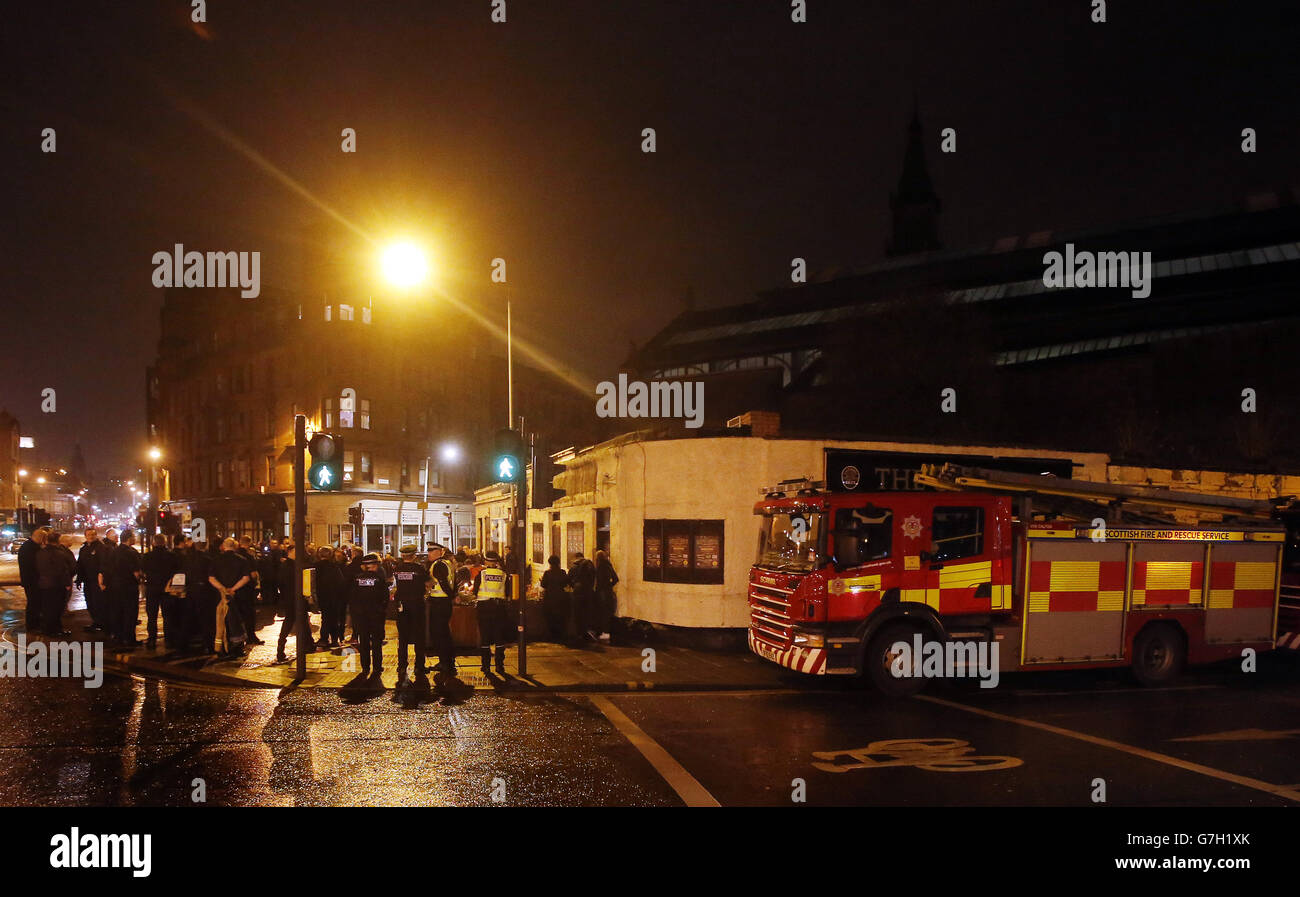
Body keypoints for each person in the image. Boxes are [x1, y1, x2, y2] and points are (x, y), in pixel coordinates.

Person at [392, 544, 431, 690]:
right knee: (419, 636)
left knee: (403, 637)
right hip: (417, 605)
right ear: (414, 555)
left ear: (403, 555)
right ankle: (419, 666)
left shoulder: (397, 569)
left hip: (402, 605)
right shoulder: (419, 569)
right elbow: (429, 583)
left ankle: (402, 666)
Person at [349, 553, 391, 679]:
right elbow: (385, 598)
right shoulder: (379, 579)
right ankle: (377, 667)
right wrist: (382, 610)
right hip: (376, 615)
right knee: (377, 642)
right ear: (376, 565)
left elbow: (352, 598)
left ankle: (365, 667)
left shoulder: (357, 579)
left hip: (361, 616)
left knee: (364, 641)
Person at [208, 537, 251, 658]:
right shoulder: (242, 560)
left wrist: (223, 589)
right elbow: (246, 578)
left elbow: (211, 578)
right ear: (235, 546)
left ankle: (221, 647)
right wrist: (233, 589)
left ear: (223, 546)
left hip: (221, 596)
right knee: (237, 620)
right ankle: (237, 647)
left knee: (222, 620)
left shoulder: (216, 560)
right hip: (238, 595)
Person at [275, 543, 315, 662]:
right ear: (290, 552)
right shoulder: (290, 566)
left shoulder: (288, 565)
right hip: (294, 598)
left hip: (291, 598)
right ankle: (282, 646)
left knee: (299, 620)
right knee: (294, 620)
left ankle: (307, 644)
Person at [141, 533, 180, 650]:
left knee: (151, 615)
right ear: (165, 542)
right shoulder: (172, 556)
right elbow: (177, 571)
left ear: (154, 542)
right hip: (167, 589)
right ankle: (168, 640)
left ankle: (152, 639)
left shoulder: (147, 556)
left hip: (152, 588)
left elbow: (143, 572)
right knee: (167, 615)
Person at [473, 550, 510, 673]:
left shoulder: (481, 574)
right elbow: (507, 593)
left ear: (486, 561)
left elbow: (475, 591)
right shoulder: (504, 575)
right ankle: (499, 665)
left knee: (485, 637)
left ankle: (486, 665)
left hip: (484, 608)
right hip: (499, 608)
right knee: (499, 637)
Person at [106, 529, 144, 646]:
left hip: (115, 586)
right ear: (129, 538)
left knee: (117, 612)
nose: (135, 538)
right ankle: (129, 638)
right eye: (134, 536)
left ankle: (118, 636)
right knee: (130, 613)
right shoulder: (131, 553)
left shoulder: (113, 551)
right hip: (129, 587)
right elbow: (136, 572)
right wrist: (141, 581)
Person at [425, 543, 457, 676]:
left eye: (432, 551)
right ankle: (447, 662)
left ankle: (445, 663)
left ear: (440, 552)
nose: (429, 553)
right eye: (429, 551)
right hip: (443, 603)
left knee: (439, 634)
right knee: (443, 633)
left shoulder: (438, 565)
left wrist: (452, 596)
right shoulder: (446, 563)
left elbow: (444, 583)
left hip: (440, 603)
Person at [36, 531, 76, 637]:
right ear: (58, 541)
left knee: (47, 608)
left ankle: (47, 629)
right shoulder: (59, 554)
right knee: (56, 608)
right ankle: (55, 629)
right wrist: (67, 583)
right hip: (57, 585)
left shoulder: (41, 553)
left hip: (44, 584)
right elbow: (63, 570)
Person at [76, 527, 109, 633]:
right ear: (85, 536)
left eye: (93, 534)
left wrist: (102, 578)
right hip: (87, 581)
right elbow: (80, 565)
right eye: (89, 535)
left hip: (97, 581)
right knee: (89, 601)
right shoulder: (84, 549)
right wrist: (79, 579)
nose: (91, 536)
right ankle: (95, 621)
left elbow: (104, 564)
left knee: (98, 602)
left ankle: (102, 623)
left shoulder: (101, 548)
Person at [17, 527, 48, 634]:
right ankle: (32, 626)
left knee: (35, 603)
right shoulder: (30, 548)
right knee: (33, 603)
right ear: (40, 537)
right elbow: (34, 566)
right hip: (32, 581)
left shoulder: (28, 546)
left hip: (31, 580)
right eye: (44, 538)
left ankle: (34, 624)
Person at [315, 546, 346, 648]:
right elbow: (341, 582)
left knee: (325, 618)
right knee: (334, 618)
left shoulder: (316, 566)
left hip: (323, 596)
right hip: (334, 597)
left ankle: (324, 638)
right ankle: (334, 639)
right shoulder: (334, 567)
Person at [236, 536, 263, 645]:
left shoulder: (235, 556)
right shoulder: (248, 557)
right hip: (246, 589)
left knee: (237, 614)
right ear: (249, 543)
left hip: (234, 590)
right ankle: (251, 636)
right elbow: (253, 574)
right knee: (249, 614)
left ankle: (238, 637)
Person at [540, 555, 571, 642]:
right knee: (560, 618)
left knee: (550, 618)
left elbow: (543, 584)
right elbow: (566, 583)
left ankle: (552, 636)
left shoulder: (547, 573)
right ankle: (560, 636)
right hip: (561, 598)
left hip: (549, 598)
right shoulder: (563, 572)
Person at [568, 551, 597, 641]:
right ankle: (586, 631)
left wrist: (574, 586)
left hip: (578, 593)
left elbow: (569, 580)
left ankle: (579, 633)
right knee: (587, 612)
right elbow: (593, 577)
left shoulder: (573, 567)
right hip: (588, 592)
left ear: (576, 558)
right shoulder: (590, 565)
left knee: (578, 613)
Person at [594, 550, 620, 642]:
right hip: (608, 592)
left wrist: (600, 589)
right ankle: (608, 631)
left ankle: (602, 632)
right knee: (608, 613)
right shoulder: (609, 565)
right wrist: (609, 586)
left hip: (602, 593)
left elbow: (599, 582)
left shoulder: (600, 567)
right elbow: (616, 579)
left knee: (602, 613)